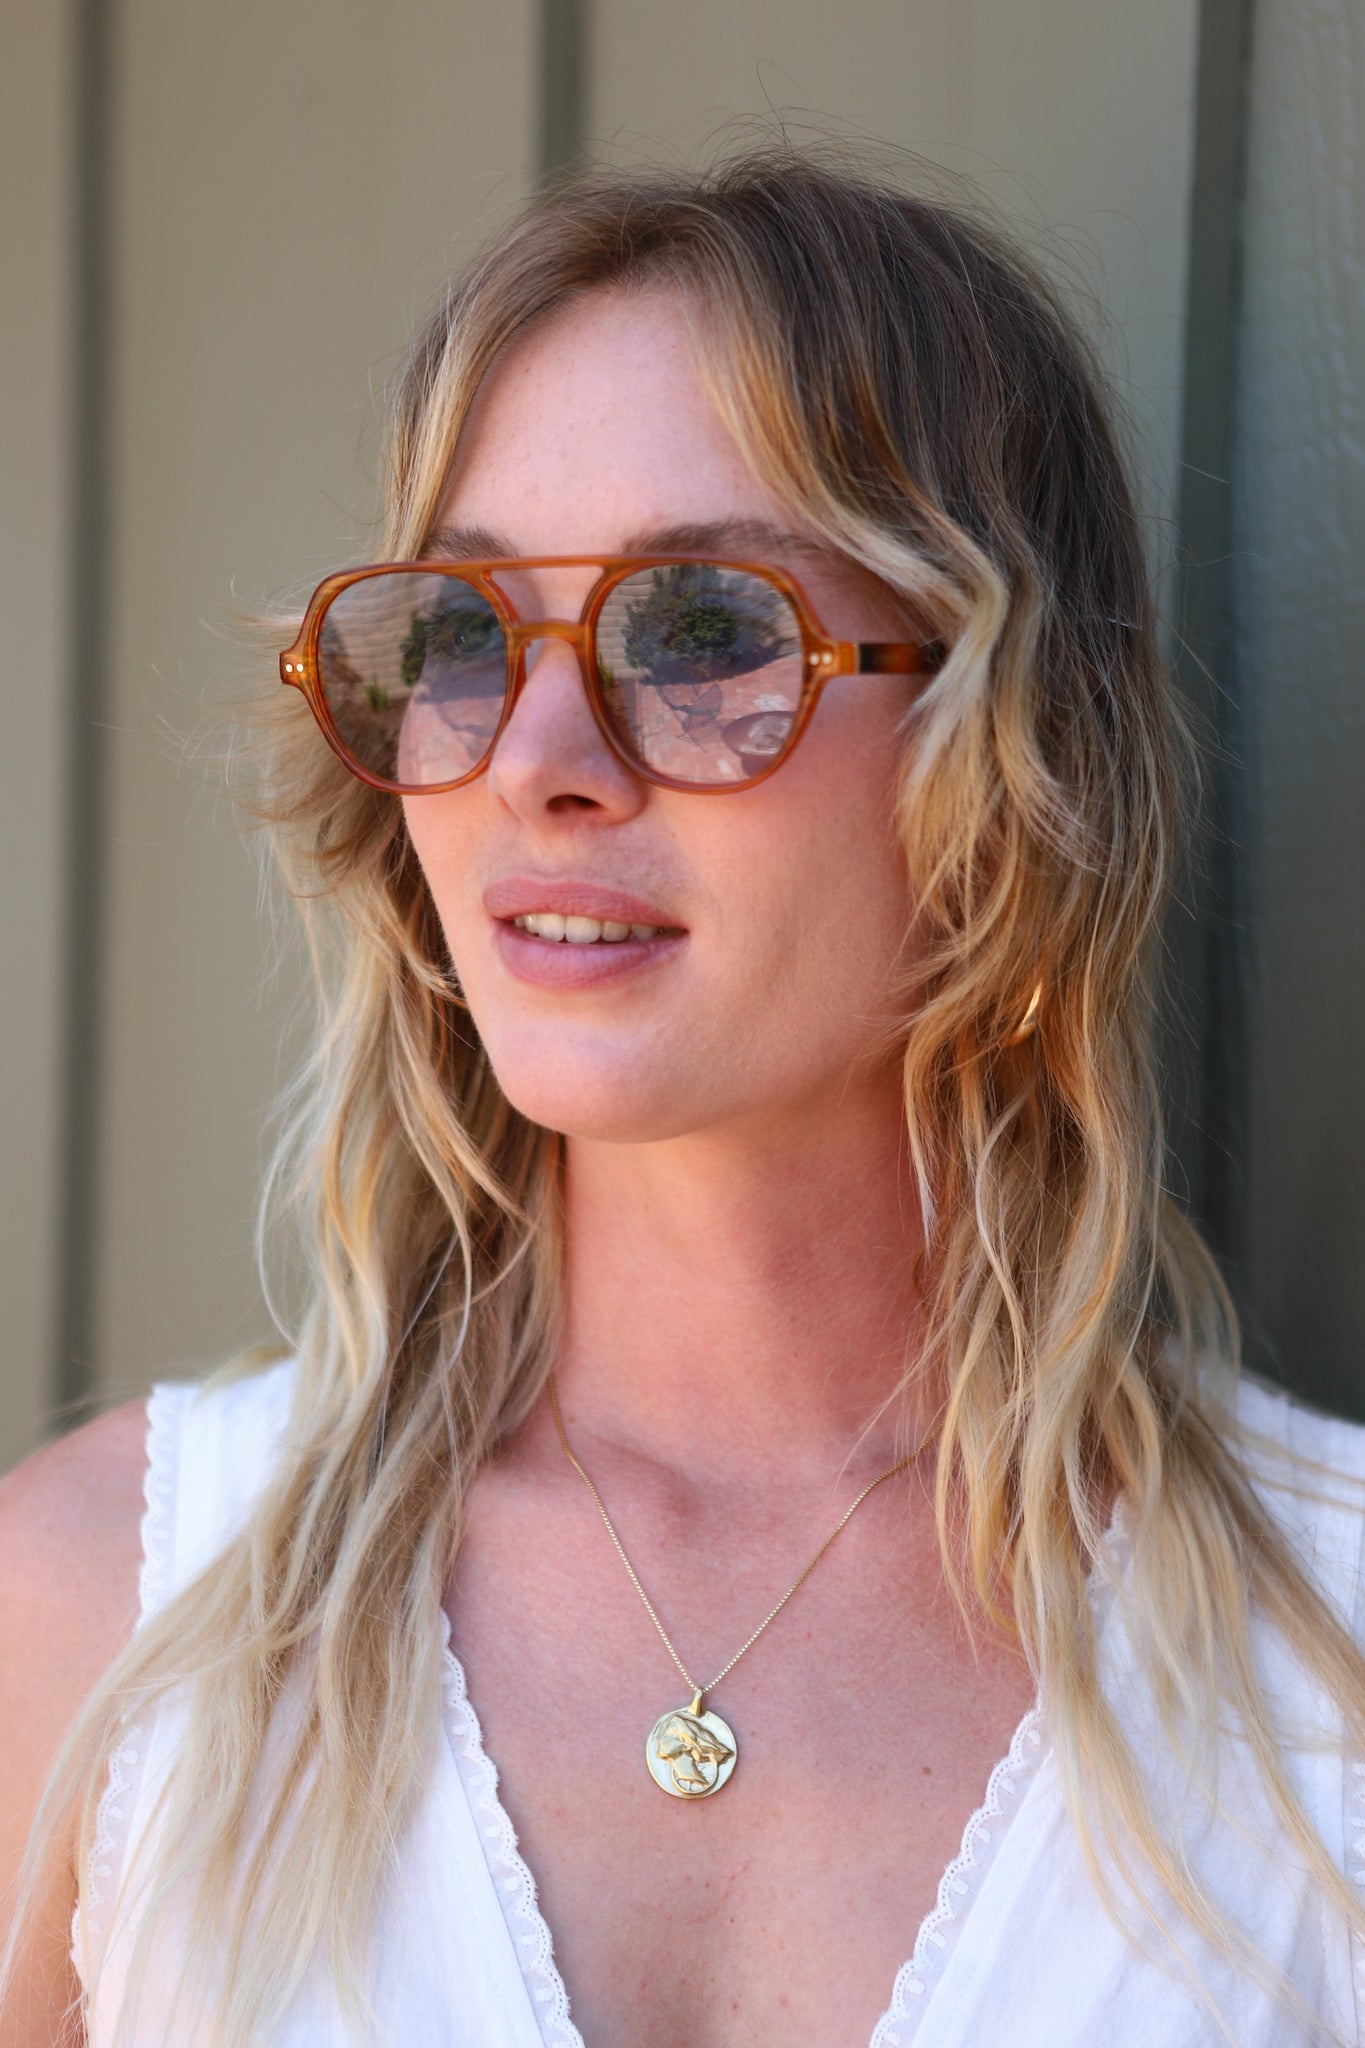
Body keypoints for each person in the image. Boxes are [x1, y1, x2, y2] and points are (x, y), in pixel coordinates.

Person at [2, 149, 1364, 2048]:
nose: (535, 759)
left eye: (704, 634)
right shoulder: (101, 1618)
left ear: (1004, 750)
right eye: (463, 634)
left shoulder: (1327, 1675)